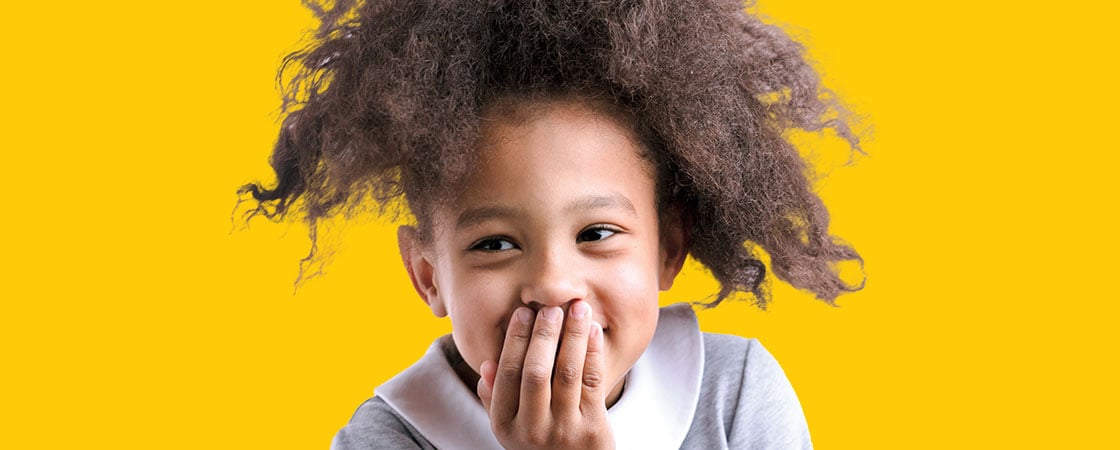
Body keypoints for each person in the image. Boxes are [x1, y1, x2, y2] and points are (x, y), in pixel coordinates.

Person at [240, 0, 864, 448]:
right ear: (427, 274)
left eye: (595, 233)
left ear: (670, 245)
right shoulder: (384, 437)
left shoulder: (736, 396)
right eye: (495, 243)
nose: (552, 284)